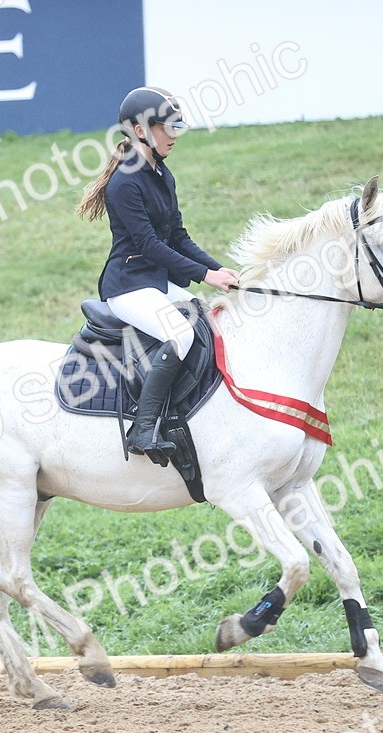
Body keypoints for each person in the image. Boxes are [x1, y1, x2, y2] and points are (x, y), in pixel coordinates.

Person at [76, 86, 241, 466]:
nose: (175, 135)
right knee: (180, 333)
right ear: (138, 130)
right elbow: (150, 245)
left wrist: (218, 269)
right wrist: (204, 274)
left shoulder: (161, 173)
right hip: (128, 287)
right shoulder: (125, 183)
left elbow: (178, 236)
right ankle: (144, 429)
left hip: (154, 283)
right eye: (168, 127)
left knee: (206, 319)